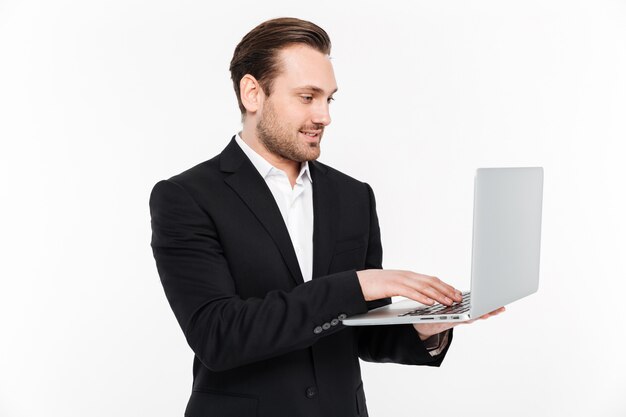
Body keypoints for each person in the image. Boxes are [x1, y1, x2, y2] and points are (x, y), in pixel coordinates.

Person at [149, 17, 504, 417]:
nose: (324, 116)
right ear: (252, 93)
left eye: (329, 99)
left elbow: (361, 332)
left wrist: (427, 326)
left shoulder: (353, 196)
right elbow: (219, 336)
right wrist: (358, 284)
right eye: (307, 97)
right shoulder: (187, 197)